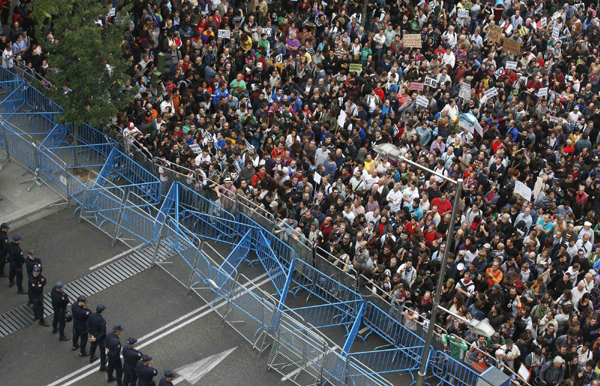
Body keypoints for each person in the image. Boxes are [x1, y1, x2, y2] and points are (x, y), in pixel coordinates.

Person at [88, 304, 108, 370]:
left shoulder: (91, 315)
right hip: (100, 338)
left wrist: (92, 335)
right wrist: (96, 338)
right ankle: (103, 365)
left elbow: (88, 325)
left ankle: (91, 357)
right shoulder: (102, 321)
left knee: (93, 346)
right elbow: (103, 332)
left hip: (93, 334)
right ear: (102, 311)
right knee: (103, 350)